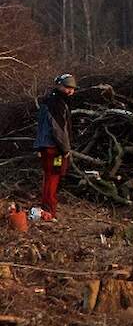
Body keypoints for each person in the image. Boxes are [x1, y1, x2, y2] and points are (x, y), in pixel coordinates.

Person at [33, 74, 76, 220]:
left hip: (44, 147)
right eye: (67, 87)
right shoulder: (58, 103)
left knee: (48, 176)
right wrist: (65, 150)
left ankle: (45, 208)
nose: (70, 91)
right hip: (54, 149)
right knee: (54, 177)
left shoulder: (48, 101)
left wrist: (38, 147)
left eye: (72, 88)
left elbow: (41, 127)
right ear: (59, 86)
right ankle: (50, 211)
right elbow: (58, 130)